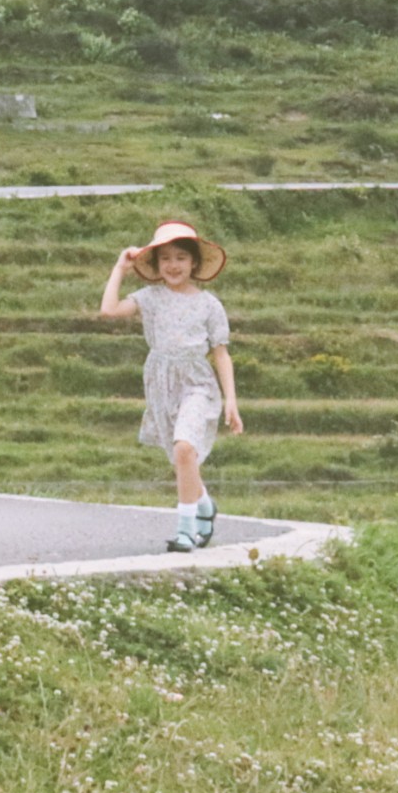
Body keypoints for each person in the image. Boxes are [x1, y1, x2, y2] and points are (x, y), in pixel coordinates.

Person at [98, 220, 243, 552]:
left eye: (181, 257)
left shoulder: (209, 304)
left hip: (197, 383)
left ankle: (185, 531)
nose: (173, 265)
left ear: (194, 263)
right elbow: (108, 310)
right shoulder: (149, 298)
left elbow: (221, 354)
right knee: (182, 457)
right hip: (161, 383)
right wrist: (120, 268)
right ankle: (204, 506)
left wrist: (231, 401)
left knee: (184, 448)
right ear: (156, 264)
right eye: (165, 258)